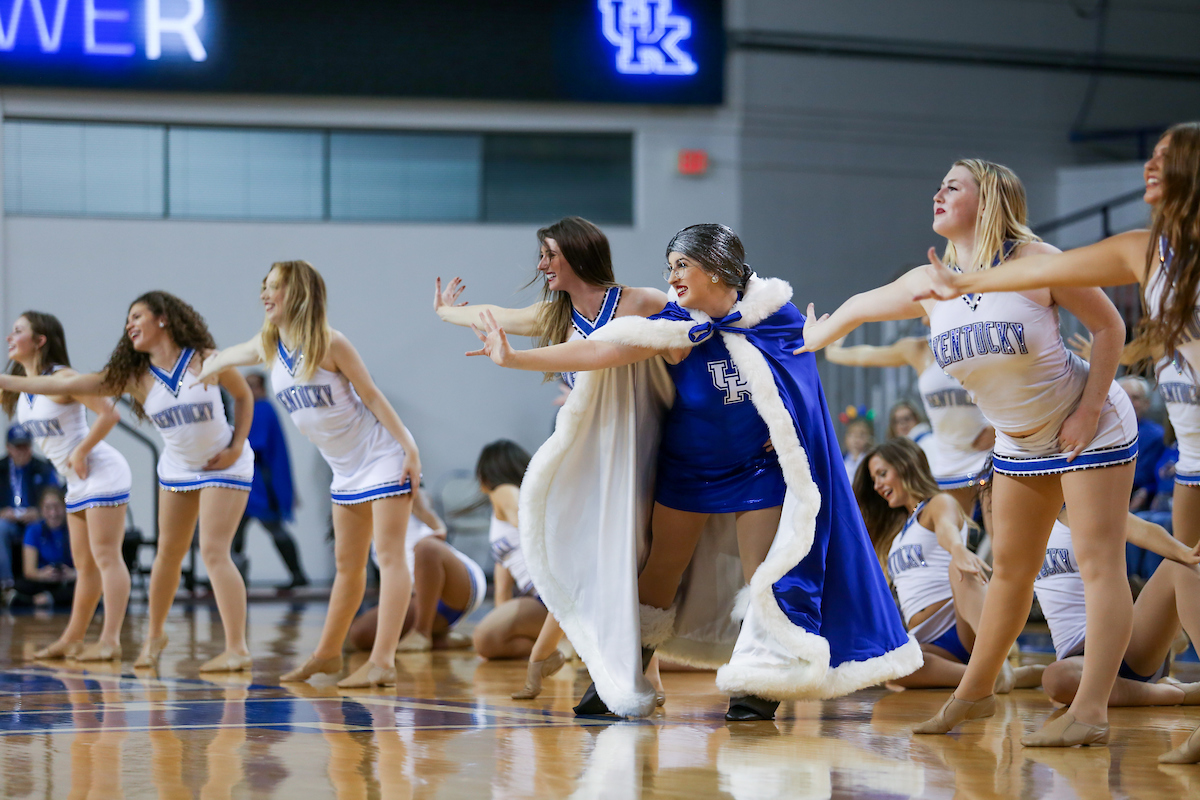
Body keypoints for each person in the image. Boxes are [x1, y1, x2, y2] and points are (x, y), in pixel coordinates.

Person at [468, 223, 920, 720]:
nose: (672, 275)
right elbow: (605, 349)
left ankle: (757, 688)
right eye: (670, 266)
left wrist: (788, 424)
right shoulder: (672, 320)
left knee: (766, 576)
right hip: (686, 468)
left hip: (758, 469)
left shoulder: (774, 316)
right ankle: (618, 679)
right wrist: (513, 358)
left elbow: (802, 387)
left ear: (718, 267)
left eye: (682, 265)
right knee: (658, 576)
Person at [797, 159, 1137, 747]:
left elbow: (1109, 327)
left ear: (991, 199)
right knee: (1009, 571)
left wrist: (1087, 409)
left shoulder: (1036, 262)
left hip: (1091, 425)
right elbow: (855, 308)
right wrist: (809, 340)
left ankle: (1091, 710)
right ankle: (973, 695)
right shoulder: (930, 282)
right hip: (1018, 442)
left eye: (952, 186)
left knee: (1098, 561)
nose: (936, 193)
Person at [436, 217, 670, 698]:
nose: (542, 265)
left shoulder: (639, 302)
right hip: (581, 453)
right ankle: (550, 658)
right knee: (570, 558)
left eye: (550, 255)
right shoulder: (555, 317)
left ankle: (644, 672)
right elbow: (498, 314)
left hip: (637, 448)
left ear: (577, 254)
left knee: (634, 561)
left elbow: (690, 328)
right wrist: (447, 314)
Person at [0, 291, 256, 673]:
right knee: (168, 554)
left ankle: (237, 648)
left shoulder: (204, 359)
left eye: (138, 316)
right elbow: (64, 386)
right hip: (177, 467)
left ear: (163, 319)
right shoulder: (135, 377)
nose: (130, 325)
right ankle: (154, 637)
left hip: (224, 462)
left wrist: (236, 446)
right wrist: (8, 379)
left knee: (213, 552)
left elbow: (243, 394)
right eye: (128, 320)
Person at [197, 260, 421, 688]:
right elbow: (226, 357)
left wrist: (409, 449)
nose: (265, 294)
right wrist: (202, 371)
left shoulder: (332, 343)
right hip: (344, 468)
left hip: (382, 454)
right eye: (263, 286)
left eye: (275, 287)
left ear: (297, 293)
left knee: (388, 556)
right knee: (347, 567)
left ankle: (383, 661)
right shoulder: (269, 347)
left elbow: (372, 395)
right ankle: (326, 655)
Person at [853, 438, 1041, 691]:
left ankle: (988, 669)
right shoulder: (898, 532)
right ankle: (993, 677)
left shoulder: (938, 503)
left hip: (961, 626)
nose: (877, 485)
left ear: (906, 465)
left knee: (958, 568)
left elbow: (947, 528)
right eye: (874, 479)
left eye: (882, 474)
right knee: (894, 667)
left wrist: (958, 549)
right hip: (927, 640)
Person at [3, 311, 133, 660]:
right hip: (75, 480)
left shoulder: (63, 377)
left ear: (40, 340)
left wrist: (82, 450)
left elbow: (109, 414)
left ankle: (110, 641)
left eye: (18, 331)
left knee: (107, 557)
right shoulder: (28, 388)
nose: (9, 337)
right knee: (85, 565)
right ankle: (72, 638)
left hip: (101, 470)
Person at [1032, 508, 1200, 711]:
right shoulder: (1022, 534)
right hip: (1079, 660)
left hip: (1129, 647)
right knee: (1056, 678)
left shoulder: (1077, 511)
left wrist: (1185, 552)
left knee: (1182, 566)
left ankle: (1169, 652)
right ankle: (1174, 693)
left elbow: (1144, 530)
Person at [827, 331, 994, 511]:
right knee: (956, 530)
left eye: (907, 419)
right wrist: (832, 351)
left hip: (988, 454)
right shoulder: (917, 348)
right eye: (897, 421)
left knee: (997, 531)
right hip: (949, 461)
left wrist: (998, 429)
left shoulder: (981, 337)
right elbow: (867, 355)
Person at [347, 487, 486, 653]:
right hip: (422, 599)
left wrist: (438, 527)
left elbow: (427, 511)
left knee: (425, 548)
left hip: (456, 584)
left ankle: (422, 632)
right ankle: (441, 639)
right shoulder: (368, 525)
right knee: (359, 634)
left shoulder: (407, 491)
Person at [232, 371, 308, 591]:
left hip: (260, 485)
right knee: (237, 532)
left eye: (252, 385)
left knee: (271, 528)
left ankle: (297, 574)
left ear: (262, 388)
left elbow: (253, 445)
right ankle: (235, 579)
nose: (248, 389)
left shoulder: (262, 409)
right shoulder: (254, 409)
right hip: (253, 483)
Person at [0, 423, 58, 595]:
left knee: (42, 526)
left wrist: (39, 512)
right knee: (0, 528)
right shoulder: (0, 469)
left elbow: (55, 496)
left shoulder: (43, 468)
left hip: (37, 519)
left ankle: (50, 578)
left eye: (25, 446)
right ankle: (6, 584)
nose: (22, 451)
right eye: (18, 447)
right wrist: (2, 512)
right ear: (8, 448)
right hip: (7, 521)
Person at [10, 486, 75, 608]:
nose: (53, 513)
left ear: (64, 507)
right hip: (43, 579)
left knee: (87, 584)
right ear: (41, 510)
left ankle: (49, 598)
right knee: (21, 585)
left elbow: (87, 569)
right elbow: (29, 571)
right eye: (48, 508)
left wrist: (72, 573)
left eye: (57, 507)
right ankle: (53, 597)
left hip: (68, 579)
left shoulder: (75, 528)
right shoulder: (34, 530)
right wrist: (43, 574)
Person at [1117, 375, 1167, 511]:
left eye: (1136, 398)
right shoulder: (1101, 431)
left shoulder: (1156, 435)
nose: (1130, 402)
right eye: (1124, 396)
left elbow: (1150, 475)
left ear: (1147, 403)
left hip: (1139, 495)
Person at [841, 417, 874, 482]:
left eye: (861, 436)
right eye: (853, 435)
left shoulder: (870, 460)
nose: (856, 440)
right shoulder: (841, 460)